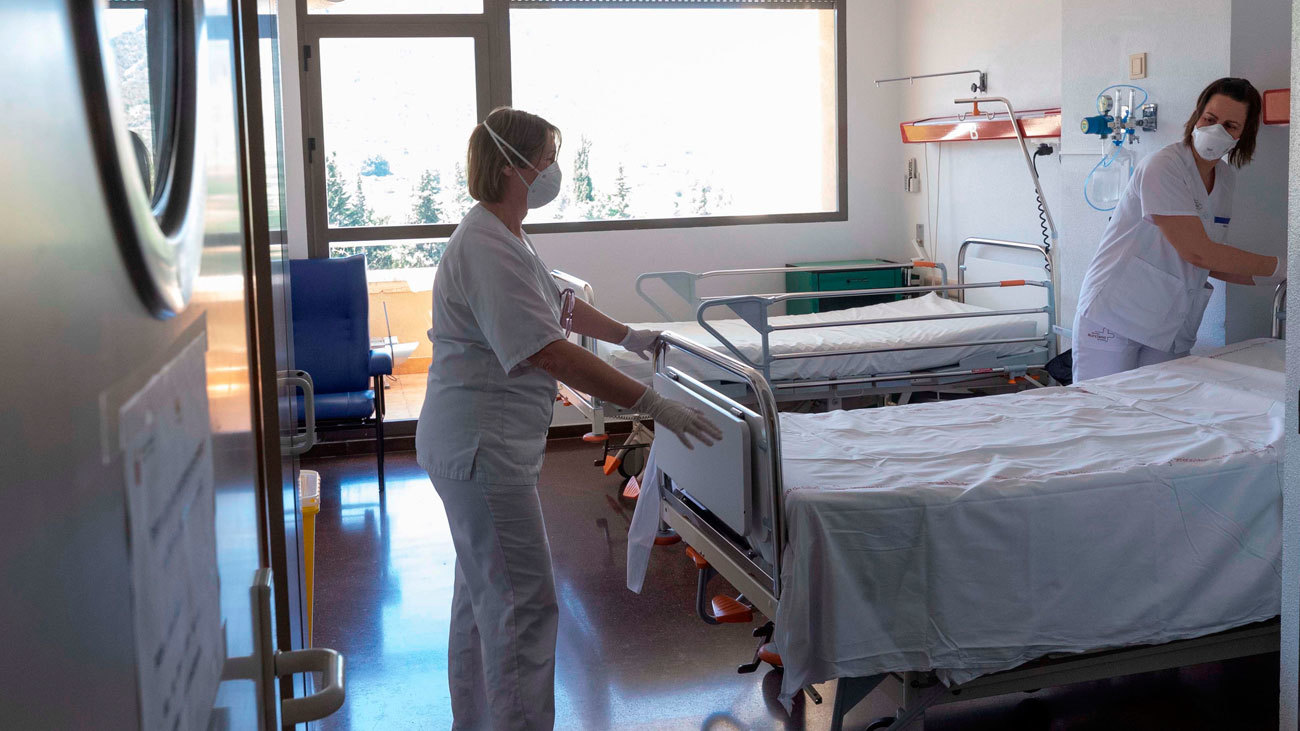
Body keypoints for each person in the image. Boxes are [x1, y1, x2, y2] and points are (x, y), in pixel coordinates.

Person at [415, 107, 722, 731]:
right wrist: (651, 402)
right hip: (482, 450)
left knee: (482, 602)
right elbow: (548, 350)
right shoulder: (485, 246)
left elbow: (559, 308)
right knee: (522, 607)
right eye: (545, 159)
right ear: (512, 168)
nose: (553, 171)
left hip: (483, 447)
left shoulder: (504, 233)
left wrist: (629, 334)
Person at [1072, 77, 1284, 382]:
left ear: (1243, 135)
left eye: (1230, 126)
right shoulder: (1163, 166)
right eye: (1210, 119)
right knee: (1101, 414)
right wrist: (1283, 265)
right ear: (1196, 117)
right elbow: (1198, 252)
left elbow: (1213, 260)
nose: (1216, 131)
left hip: (1168, 322)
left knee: (1160, 415)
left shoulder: (1224, 178)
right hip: (1116, 315)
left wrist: (1281, 277)